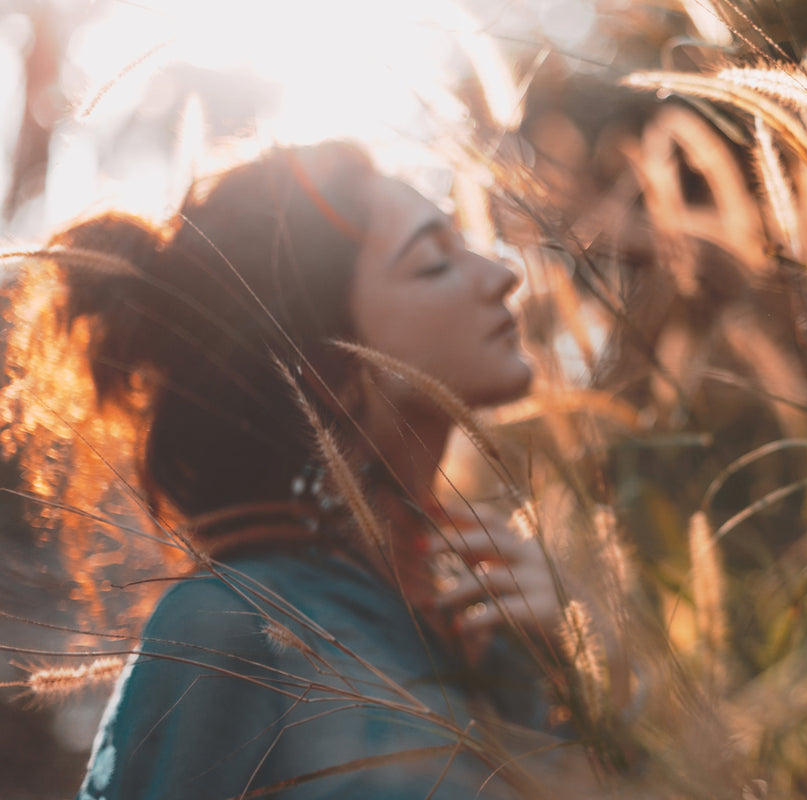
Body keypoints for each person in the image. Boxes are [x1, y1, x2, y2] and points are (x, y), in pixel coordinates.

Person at [1, 141, 568, 799]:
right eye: (435, 263)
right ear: (325, 369)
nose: (502, 274)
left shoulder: (486, 619)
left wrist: (578, 665)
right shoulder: (231, 628)